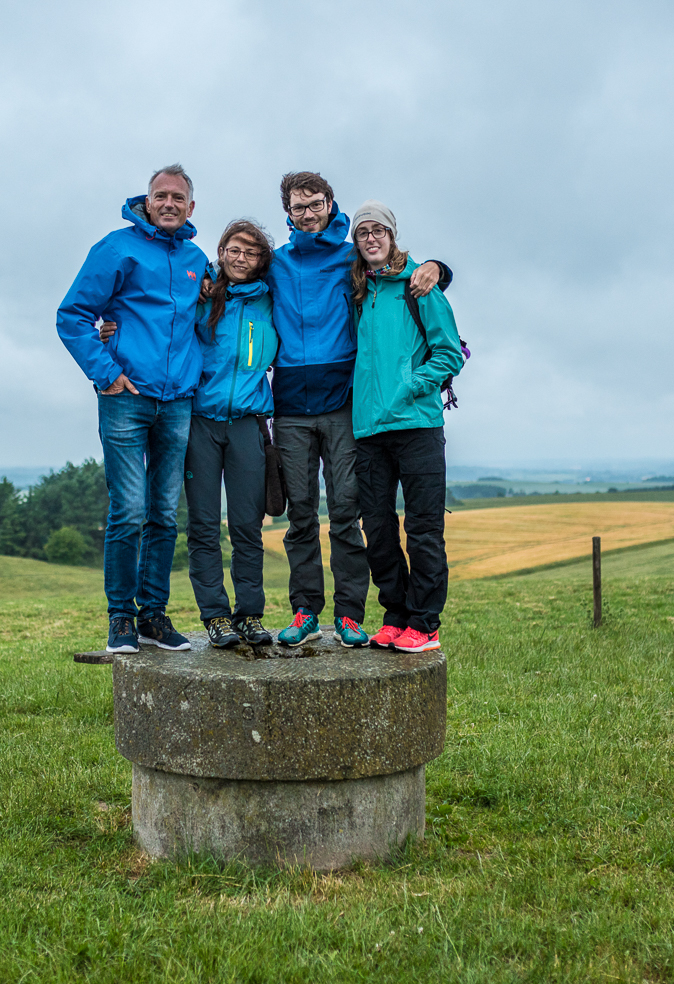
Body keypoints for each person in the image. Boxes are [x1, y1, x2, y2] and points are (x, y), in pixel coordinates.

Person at [266, 171, 451, 648]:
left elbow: (403, 269)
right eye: (297, 206)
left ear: (331, 204)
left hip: (347, 405)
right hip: (293, 402)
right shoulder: (277, 263)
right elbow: (234, 277)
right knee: (303, 515)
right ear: (287, 211)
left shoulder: (355, 259)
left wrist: (438, 266)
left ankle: (351, 614)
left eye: (315, 203)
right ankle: (306, 611)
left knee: (347, 513)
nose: (307, 213)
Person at [56, 164, 207, 655]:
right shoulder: (116, 248)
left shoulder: (196, 258)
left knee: (165, 513)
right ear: (146, 201)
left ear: (190, 206)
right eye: (159, 195)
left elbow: (211, 315)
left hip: (179, 401)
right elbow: (73, 315)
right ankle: (120, 617)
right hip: (126, 398)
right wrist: (106, 373)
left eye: (177, 197)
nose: (168, 203)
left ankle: (154, 617)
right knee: (130, 510)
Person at [347, 200, 464, 653]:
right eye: (363, 233)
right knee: (376, 531)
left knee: (423, 531)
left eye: (378, 230)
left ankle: (424, 622)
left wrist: (414, 384)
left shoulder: (420, 286)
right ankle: (395, 615)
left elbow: (450, 352)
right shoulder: (359, 290)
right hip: (370, 431)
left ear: (392, 236)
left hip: (417, 426)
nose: (371, 238)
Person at [183, 220, 279, 648]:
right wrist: (111, 329)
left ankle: (250, 614)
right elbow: (156, 318)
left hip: (248, 425)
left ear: (262, 261)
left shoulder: (272, 300)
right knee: (204, 525)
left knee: (246, 525)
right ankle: (215, 615)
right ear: (220, 251)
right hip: (200, 423)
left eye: (251, 252)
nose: (241, 258)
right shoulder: (199, 294)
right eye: (233, 249)